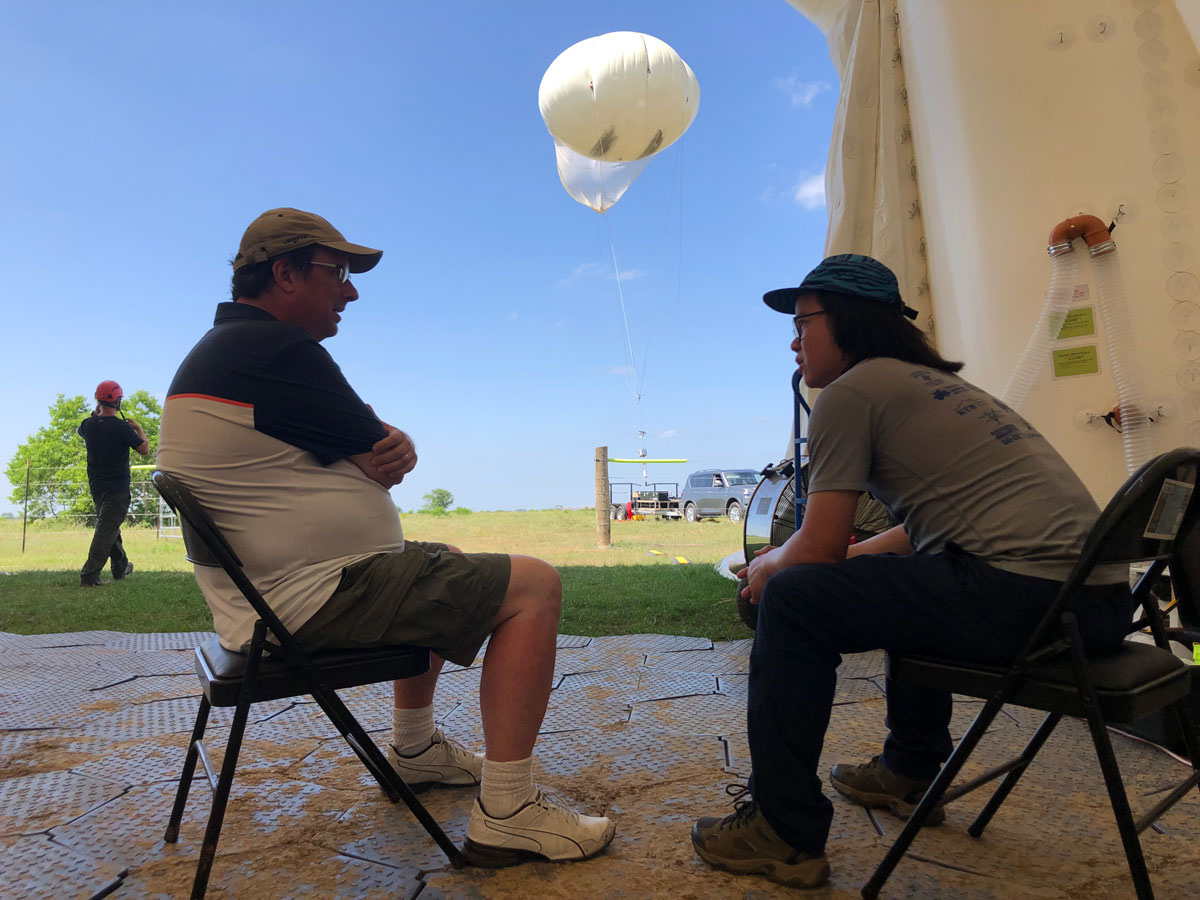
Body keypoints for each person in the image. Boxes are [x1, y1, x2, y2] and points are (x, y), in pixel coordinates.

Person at [156, 208, 614, 866]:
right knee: (536, 585)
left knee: (445, 559)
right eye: (336, 271)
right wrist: (369, 445)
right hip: (304, 601)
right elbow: (384, 449)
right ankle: (510, 812)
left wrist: (364, 448)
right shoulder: (277, 351)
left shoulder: (235, 351)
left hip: (270, 599)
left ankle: (415, 749)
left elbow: (373, 450)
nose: (351, 290)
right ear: (285, 273)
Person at [690, 254, 1131, 889]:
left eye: (803, 322)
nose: (793, 340)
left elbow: (812, 551)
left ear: (846, 322)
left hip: (1027, 600)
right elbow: (926, 530)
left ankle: (782, 831)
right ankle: (912, 769)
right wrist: (834, 559)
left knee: (790, 598)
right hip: (1099, 606)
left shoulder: (851, 392)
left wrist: (770, 566)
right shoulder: (939, 388)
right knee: (911, 578)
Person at [78, 380, 149, 587]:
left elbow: (81, 429)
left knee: (109, 528)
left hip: (96, 487)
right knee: (106, 530)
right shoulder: (122, 428)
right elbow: (144, 449)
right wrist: (138, 428)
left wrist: (96, 414)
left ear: (98, 401)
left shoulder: (87, 425)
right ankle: (89, 575)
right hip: (117, 489)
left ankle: (120, 567)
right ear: (117, 401)